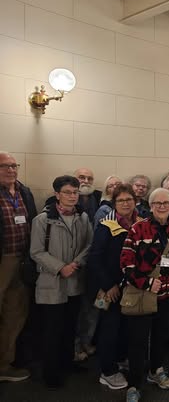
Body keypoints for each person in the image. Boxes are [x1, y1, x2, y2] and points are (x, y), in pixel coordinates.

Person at [120, 188, 169, 402]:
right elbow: (126, 264)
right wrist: (148, 283)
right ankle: (134, 384)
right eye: (157, 203)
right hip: (144, 295)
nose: (162, 207)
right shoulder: (137, 229)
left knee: (161, 337)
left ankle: (156, 370)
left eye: (166, 203)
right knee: (138, 341)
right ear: (150, 206)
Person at [30, 175, 93, 388]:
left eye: (75, 192)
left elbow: (90, 245)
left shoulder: (83, 218)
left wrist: (75, 264)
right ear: (57, 194)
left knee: (70, 327)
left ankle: (68, 363)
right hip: (52, 283)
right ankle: (51, 372)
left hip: (75, 281)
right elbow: (36, 251)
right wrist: (60, 267)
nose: (72, 196)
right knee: (52, 331)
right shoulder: (42, 220)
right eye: (67, 192)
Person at [87, 183, 141, 390]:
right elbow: (95, 258)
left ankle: (119, 359)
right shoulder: (106, 225)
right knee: (109, 328)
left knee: (125, 327)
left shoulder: (140, 222)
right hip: (108, 288)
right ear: (114, 203)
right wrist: (109, 285)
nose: (125, 203)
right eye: (121, 200)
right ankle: (107, 371)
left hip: (131, 287)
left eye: (129, 199)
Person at [0, 151, 37, 382]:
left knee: (15, 313)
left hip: (21, 260)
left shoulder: (25, 191)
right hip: (1, 259)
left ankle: (4, 364)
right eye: (5, 166)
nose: (11, 170)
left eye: (14, 165)